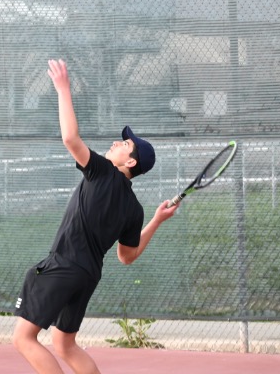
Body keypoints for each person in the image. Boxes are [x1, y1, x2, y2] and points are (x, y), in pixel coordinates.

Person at [12, 59, 179, 374]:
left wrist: (63, 89)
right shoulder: (135, 208)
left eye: (124, 144)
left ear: (130, 162)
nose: (116, 142)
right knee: (64, 344)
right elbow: (127, 257)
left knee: (23, 338)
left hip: (64, 265)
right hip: (87, 275)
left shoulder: (102, 171)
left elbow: (70, 139)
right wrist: (156, 221)